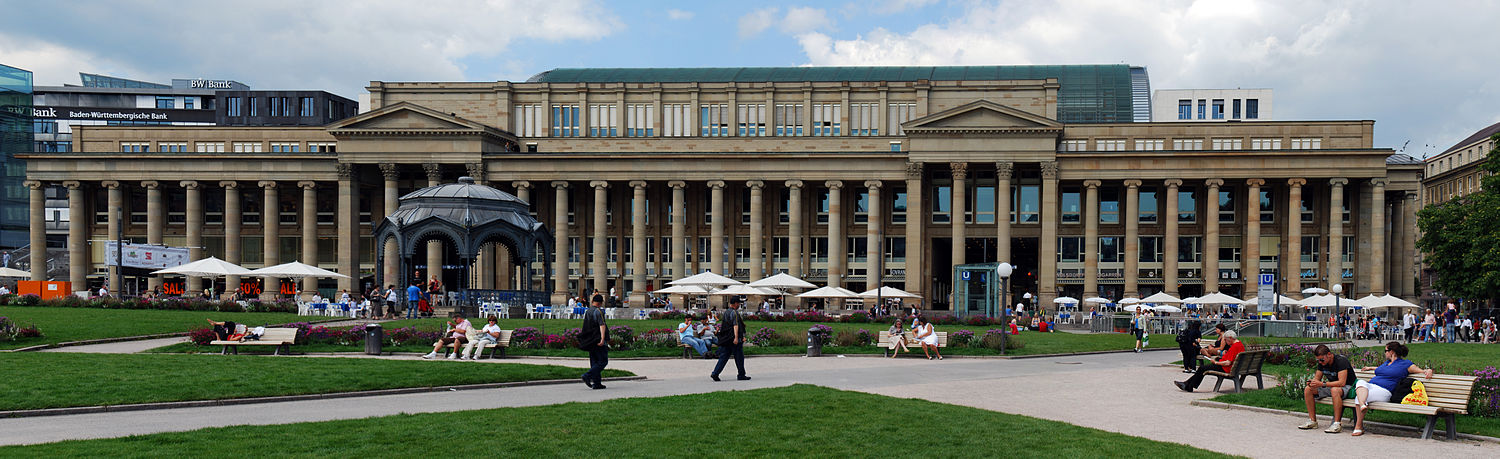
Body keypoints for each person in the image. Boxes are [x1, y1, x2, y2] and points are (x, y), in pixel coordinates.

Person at [1346, 341, 1434, 436]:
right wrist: (1370, 368)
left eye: (1385, 350)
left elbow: (1420, 370)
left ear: (1391, 352)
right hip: (1371, 386)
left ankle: (1359, 426)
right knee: (1360, 382)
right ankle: (1362, 407)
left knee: (1359, 397)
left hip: (1385, 391)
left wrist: (1428, 370)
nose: (1384, 353)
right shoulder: (1387, 363)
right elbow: (1383, 369)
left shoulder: (1405, 364)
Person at [1298, 344, 1359, 433]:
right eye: (1318, 360)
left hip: (1348, 387)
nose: (1320, 362)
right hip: (1333, 387)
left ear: (1329, 354)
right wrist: (1312, 383)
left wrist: (1322, 384)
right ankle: (1312, 421)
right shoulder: (1322, 363)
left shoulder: (1341, 361)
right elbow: (1317, 379)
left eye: (1322, 359)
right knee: (1308, 389)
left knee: (1334, 390)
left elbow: (1342, 382)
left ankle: (1337, 423)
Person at [1174, 330, 1243, 392]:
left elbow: (1228, 363)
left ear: (1230, 338)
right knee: (1203, 368)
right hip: (1234, 368)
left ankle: (1188, 386)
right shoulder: (1240, 344)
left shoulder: (1234, 347)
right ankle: (1187, 385)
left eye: (1226, 340)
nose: (1225, 342)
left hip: (1226, 368)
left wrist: (1216, 362)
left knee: (1202, 368)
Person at [710, 296, 750, 381]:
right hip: (734, 339)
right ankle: (741, 375)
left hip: (727, 339)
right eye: (739, 303)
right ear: (735, 303)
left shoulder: (726, 312)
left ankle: (715, 373)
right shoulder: (734, 313)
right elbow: (735, 325)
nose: (739, 304)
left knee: (724, 357)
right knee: (739, 357)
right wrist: (736, 338)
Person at [578, 294, 609, 389]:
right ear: (600, 303)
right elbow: (602, 325)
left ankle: (597, 383)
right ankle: (588, 375)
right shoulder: (598, 311)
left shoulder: (588, 311)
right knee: (603, 361)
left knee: (594, 361)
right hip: (598, 338)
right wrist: (603, 339)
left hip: (590, 340)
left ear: (592, 302)